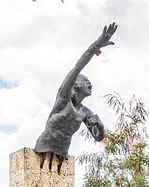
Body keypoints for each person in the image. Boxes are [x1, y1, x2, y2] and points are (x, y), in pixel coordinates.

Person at [34, 23, 116, 173]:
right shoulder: (63, 98)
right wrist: (96, 46)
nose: (90, 83)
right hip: (44, 147)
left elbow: (98, 137)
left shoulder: (86, 112)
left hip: (62, 154)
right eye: (86, 81)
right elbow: (78, 67)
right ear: (76, 85)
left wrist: (101, 126)